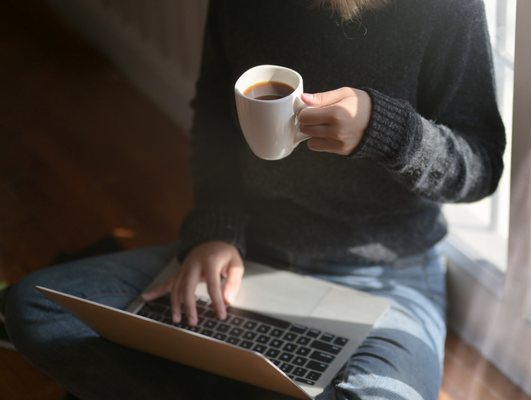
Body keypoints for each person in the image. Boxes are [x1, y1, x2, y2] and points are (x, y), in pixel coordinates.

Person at [3, 0, 505, 399]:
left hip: (385, 276)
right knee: (35, 308)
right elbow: (216, 121)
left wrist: (389, 130)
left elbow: (480, 168)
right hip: (249, 256)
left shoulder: (447, 8)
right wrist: (217, 229)